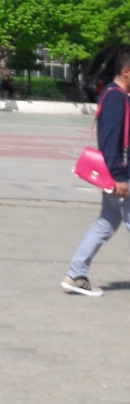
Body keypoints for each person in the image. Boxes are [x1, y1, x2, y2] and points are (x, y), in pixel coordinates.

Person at [61, 48, 130, 296]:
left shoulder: (116, 96)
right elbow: (112, 141)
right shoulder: (116, 98)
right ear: (126, 72)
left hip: (116, 173)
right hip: (120, 175)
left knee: (106, 222)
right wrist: (120, 177)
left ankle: (76, 274)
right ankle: (76, 273)